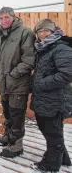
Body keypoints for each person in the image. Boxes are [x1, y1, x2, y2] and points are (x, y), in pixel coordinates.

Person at [0, 7, 36, 158]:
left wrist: (12, 75)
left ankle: (17, 146)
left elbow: (29, 60)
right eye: (1, 18)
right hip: (3, 84)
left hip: (18, 84)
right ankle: (9, 138)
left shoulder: (25, 32)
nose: (3, 21)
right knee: (7, 112)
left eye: (6, 17)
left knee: (17, 114)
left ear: (13, 17)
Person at [30, 19, 72, 172]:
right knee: (53, 131)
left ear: (53, 31)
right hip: (46, 99)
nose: (42, 34)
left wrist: (41, 83)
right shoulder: (44, 48)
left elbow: (67, 74)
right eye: (39, 31)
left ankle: (51, 165)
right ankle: (64, 159)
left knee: (52, 133)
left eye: (46, 30)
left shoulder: (60, 48)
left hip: (55, 99)